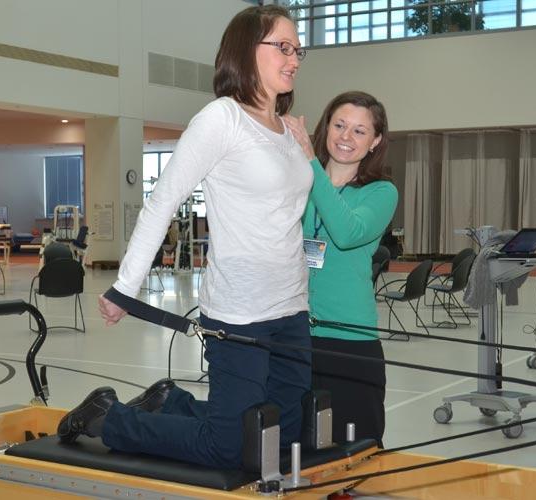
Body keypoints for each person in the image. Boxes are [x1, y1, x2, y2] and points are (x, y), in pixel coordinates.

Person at [58, 5, 313, 469]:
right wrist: (125, 287)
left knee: (284, 436)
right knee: (232, 447)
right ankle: (108, 419)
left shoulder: (288, 132)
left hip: (292, 307)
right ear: (245, 50)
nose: (293, 58)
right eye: (283, 46)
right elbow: (163, 201)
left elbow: (292, 214)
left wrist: (307, 149)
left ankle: (170, 402)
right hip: (239, 313)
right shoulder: (221, 119)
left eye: (298, 49)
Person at [283, 91, 398, 446]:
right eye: (340, 125)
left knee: (356, 446)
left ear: (375, 141)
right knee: (296, 446)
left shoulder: (381, 192)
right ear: (325, 127)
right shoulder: (297, 183)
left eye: (360, 131)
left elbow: (348, 233)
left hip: (350, 341)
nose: (346, 137)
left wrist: (310, 164)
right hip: (293, 333)